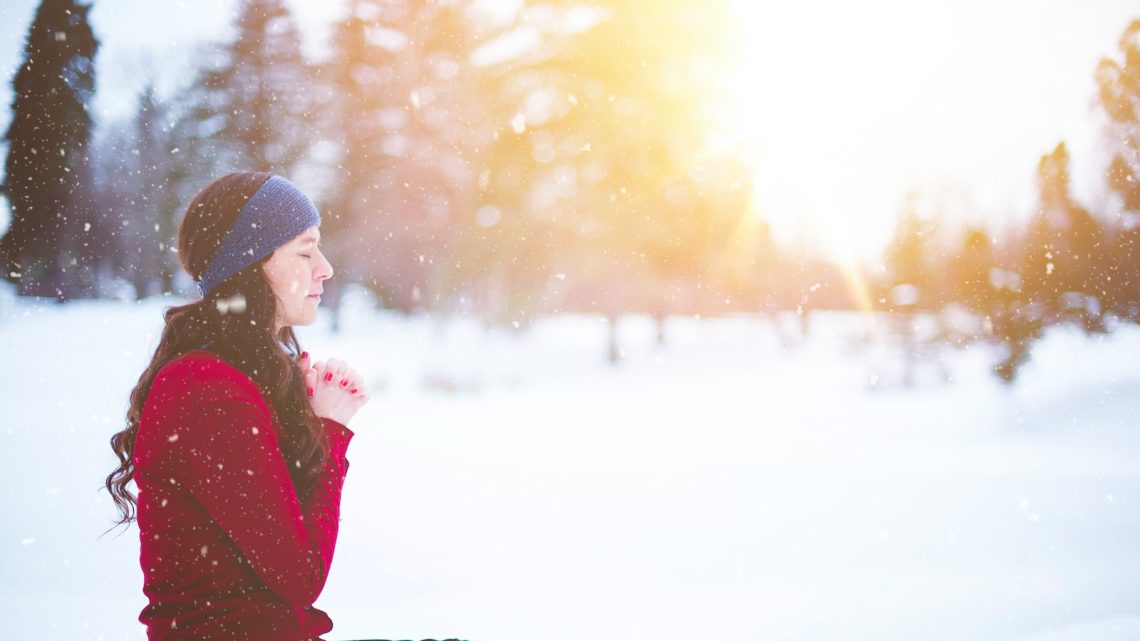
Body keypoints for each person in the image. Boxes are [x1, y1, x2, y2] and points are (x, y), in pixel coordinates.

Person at [105, 172, 369, 640]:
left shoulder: (234, 379)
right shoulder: (207, 390)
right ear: (251, 264)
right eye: (305, 252)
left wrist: (306, 420)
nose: (324, 268)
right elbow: (299, 576)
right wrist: (330, 432)